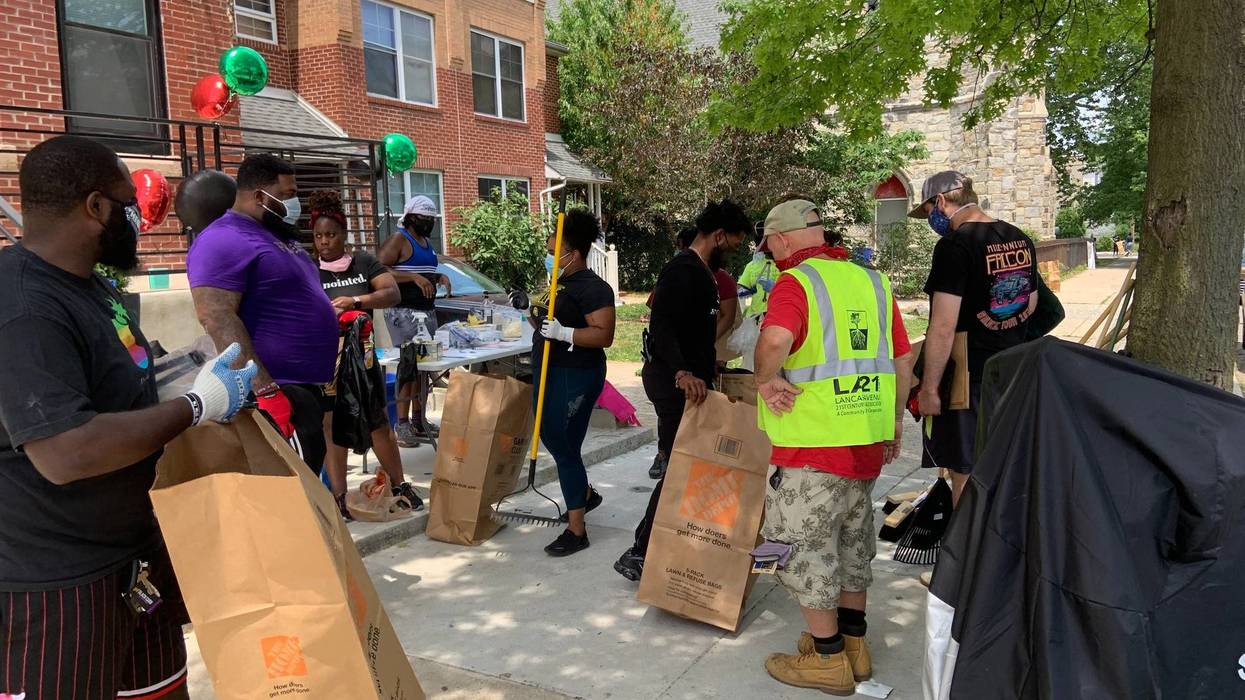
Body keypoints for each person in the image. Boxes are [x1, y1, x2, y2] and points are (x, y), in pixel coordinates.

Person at [0, 135, 256, 699]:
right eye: (127, 205)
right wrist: (196, 405)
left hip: (137, 562)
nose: (137, 219)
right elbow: (67, 451)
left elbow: (123, 385)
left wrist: (191, 371)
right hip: (58, 586)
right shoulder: (22, 308)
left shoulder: (93, 288)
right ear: (95, 208)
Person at [752, 198, 914, 695]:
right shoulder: (873, 280)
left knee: (800, 552)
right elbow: (903, 359)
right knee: (851, 546)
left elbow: (776, 340)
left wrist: (764, 378)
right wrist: (892, 423)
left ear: (780, 241)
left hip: (811, 450)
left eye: (770, 247)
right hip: (864, 445)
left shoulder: (795, 283)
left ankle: (827, 660)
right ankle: (854, 646)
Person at [614, 199, 751, 581]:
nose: (734, 253)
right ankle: (639, 551)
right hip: (675, 384)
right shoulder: (681, 269)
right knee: (679, 468)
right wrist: (682, 372)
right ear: (718, 236)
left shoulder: (704, 272)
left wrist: (708, 364)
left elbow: (693, 330)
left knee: (690, 467)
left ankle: (673, 543)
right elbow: (661, 326)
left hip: (693, 380)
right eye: (733, 244)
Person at [188, 153, 339, 475]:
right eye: (286, 195)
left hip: (305, 388)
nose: (293, 203)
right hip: (276, 391)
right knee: (289, 494)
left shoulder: (274, 234)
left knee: (308, 485)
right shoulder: (222, 239)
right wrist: (265, 390)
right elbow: (216, 315)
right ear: (260, 196)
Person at [908, 171, 1038, 506]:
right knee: (1004, 466)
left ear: (940, 201)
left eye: (927, 212)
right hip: (1013, 371)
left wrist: (929, 389)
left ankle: (966, 554)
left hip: (968, 380)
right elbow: (1032, 301)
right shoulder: (1018, 237)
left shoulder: (955, 245)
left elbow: (942, 326)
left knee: (965, 473)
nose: (931, 220)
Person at [311, 190, 425, 520]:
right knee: (332, 426)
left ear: (343, 235)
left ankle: (400, 484)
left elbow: (390, 292)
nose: (324, 242)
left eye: (331, 235)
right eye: (318, 236)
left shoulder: (363, 263)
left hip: (364, 360)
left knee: (378, 424)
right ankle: (338, 496)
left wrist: (355, 301)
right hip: (327, 363)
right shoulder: (309, 269)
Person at [528, 209, 616, 556]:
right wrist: (530, 312)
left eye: (555, 249)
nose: (550, 253)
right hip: (550, 370)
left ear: (573, 253)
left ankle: (576, 529)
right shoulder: (557, 283)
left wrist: (566, 333)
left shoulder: (595, 289)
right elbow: (544, 321)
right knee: (554, 437)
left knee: (562, 445)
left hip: (574, 374)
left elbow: (604, 334)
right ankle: (585, 494)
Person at [377, 195, 452, 446]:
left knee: (423, 367)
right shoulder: (400, 239)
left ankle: (419, 419)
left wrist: (437, 276)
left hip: (425, 311)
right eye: (423, 218)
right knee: (408, 366)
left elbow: (422, 270)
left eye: (431, 219)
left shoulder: (425, 242)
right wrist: (413, 279)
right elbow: (378, 269)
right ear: (410, 217)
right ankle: (403, 423)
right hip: (403, 312)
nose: (428, 222)